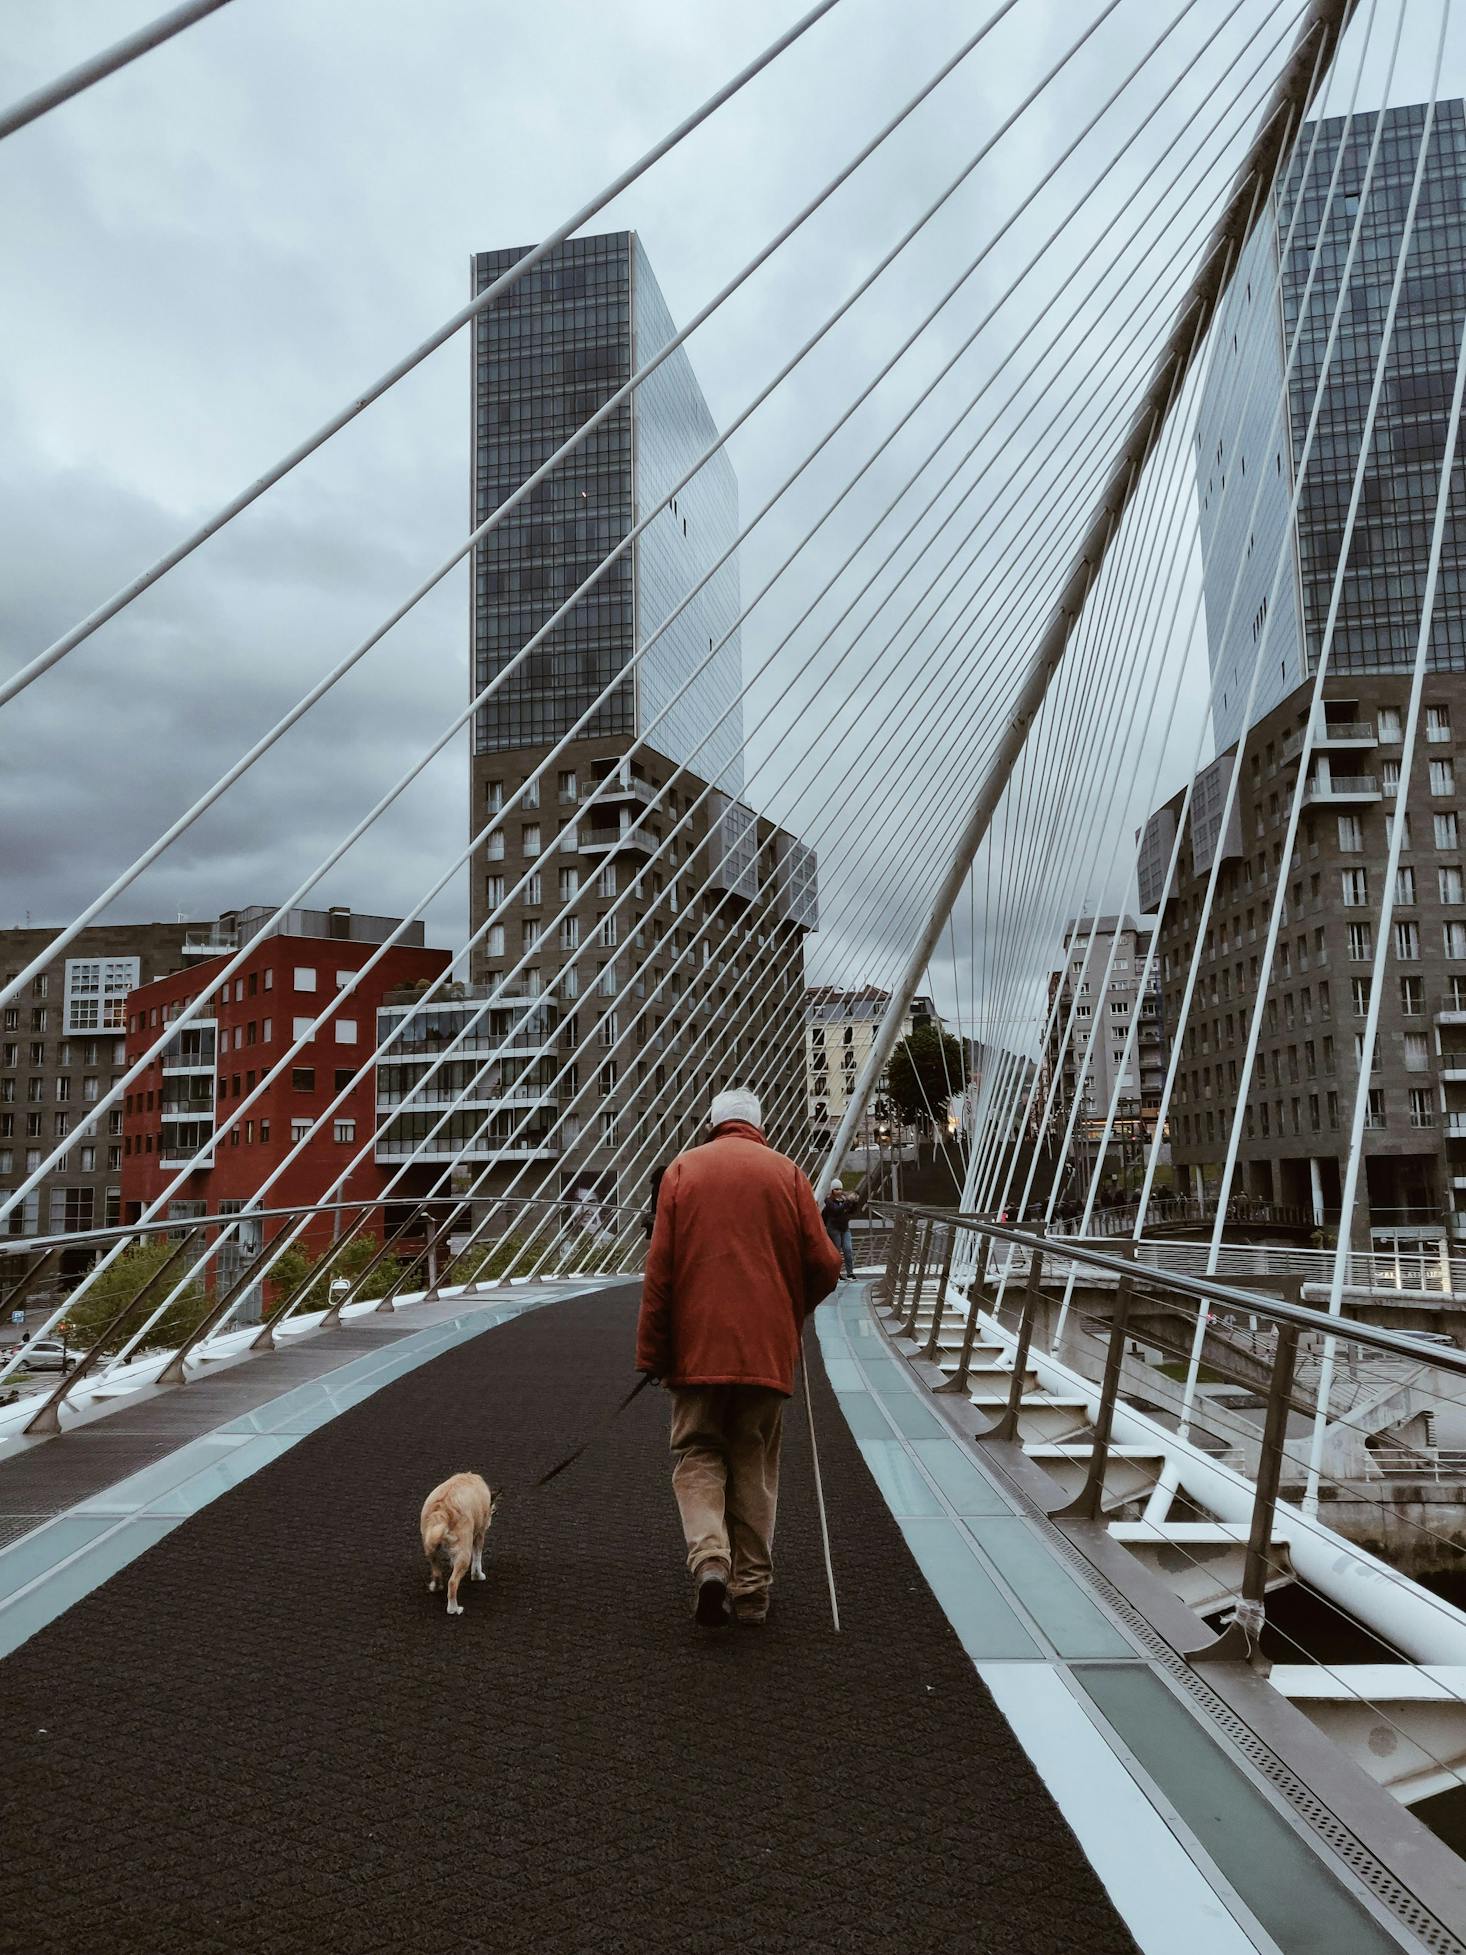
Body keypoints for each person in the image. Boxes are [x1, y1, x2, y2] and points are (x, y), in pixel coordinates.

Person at [636, 1088, 843, 1628]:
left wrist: (653, 1353)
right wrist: (786, 1310)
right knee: (754, 1463)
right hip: (764, 1355)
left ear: (712, 1124)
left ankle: (709, 1560)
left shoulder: (682, 1172)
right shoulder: (789, 1174)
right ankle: (752, 1592)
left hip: (695, 1352)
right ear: (758, 1125)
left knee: (699, 1453)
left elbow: (660, 1275)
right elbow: (825, 1263)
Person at [821, 1179, 861, 1280]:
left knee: (848, 1250)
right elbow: (836, 1211)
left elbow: (852, 1211)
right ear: (832, 1190)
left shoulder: (844, 1200)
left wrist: (854, 1202)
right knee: (836, 1252)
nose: (839, 1191)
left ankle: (850, 1273)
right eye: (836, 1189)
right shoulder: (829, 1201)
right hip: (834, 1228)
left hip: (845, 1227)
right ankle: (836, 1273)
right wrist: (848, 1202)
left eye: (840, 1189)